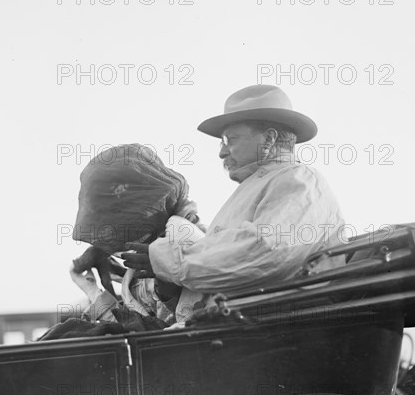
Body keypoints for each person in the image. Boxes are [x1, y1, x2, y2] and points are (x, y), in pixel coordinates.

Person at [122, 85, 346, 306]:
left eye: (231, 140)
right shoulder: (263, 184)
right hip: (237, 326)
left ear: (268, 139)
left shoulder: (299, 180)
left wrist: (169, 261)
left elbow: (268, 251)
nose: (221, 152)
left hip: (274, 328)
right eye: (222, 142)